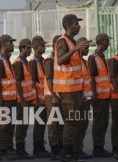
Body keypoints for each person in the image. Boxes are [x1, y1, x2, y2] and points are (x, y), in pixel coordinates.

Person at [54, 14, 88, 161]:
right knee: (70, 120)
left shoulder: (71, 41)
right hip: (68, 90)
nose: (78, 26)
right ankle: (67, 152)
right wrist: (75, 49)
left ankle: (73, 150)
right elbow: (60, 60)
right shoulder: (63, 41)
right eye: (75, 23)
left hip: (75, 89)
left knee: (76, 121)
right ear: (68, 25)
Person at [88, 33, 114, 157]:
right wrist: (94, 94)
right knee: (99, 123)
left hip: (105, 95)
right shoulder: (93, 57)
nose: (108, 44)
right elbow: (91, 78)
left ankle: (101, 146)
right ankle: (97, 148)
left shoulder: (102, 56)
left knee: (104, 123)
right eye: (106, 41)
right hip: (98, 96)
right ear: (100, 42)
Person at [0, 34, 17, 160]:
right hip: (5, 100)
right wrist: (0, 99)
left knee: (10, 125)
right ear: (4, 45)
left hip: (11, 98)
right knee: (3, 125)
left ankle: (8, 147)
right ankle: (1, 150)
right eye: (10, 42)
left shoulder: (7, 59)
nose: (13, 45)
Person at [12, 38, 35, 159]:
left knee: (25, 124)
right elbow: (17, 83)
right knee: (21, 125)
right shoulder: (18, 63)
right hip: (22, 101)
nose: (30, 50)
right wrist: (22, 100)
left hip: (28, 100)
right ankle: (20, 149)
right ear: (21, 49)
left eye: (30, 47)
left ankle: (21, 149)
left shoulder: (25, 62)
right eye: (27, 47)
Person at [28, 36, 50, 158]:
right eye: (42, 45)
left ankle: (41, 147)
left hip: (44, 98)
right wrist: (36, 98)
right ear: (36, 47)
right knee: (39, 125)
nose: (44, 47)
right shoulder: (33, 62)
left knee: (42, 125)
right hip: (38, 99)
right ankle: (37, 148)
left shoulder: (42, 60)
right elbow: (32, 82)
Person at [43, 35, 63, 160]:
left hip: (60, 94)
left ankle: (59, 147)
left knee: (60, 122)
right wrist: (54, 95)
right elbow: (49, 79)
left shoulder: (57, 59)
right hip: (52, 95)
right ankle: (54, 149)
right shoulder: (50, 60)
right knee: (53, 123)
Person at [74, 37, 93, 159]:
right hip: (78, 99)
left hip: (86, 98)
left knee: (83, 125)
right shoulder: (75, 61)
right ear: (80, 47)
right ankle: (75, 150)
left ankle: (79, 149)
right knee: (77, 125)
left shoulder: (84, 61)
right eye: (86, 47)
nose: (88, 49)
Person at [107, 44, 118, 159]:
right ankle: (116, 148)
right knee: (116, 124)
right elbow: (112, 78)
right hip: (116, 98)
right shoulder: (114, 60)